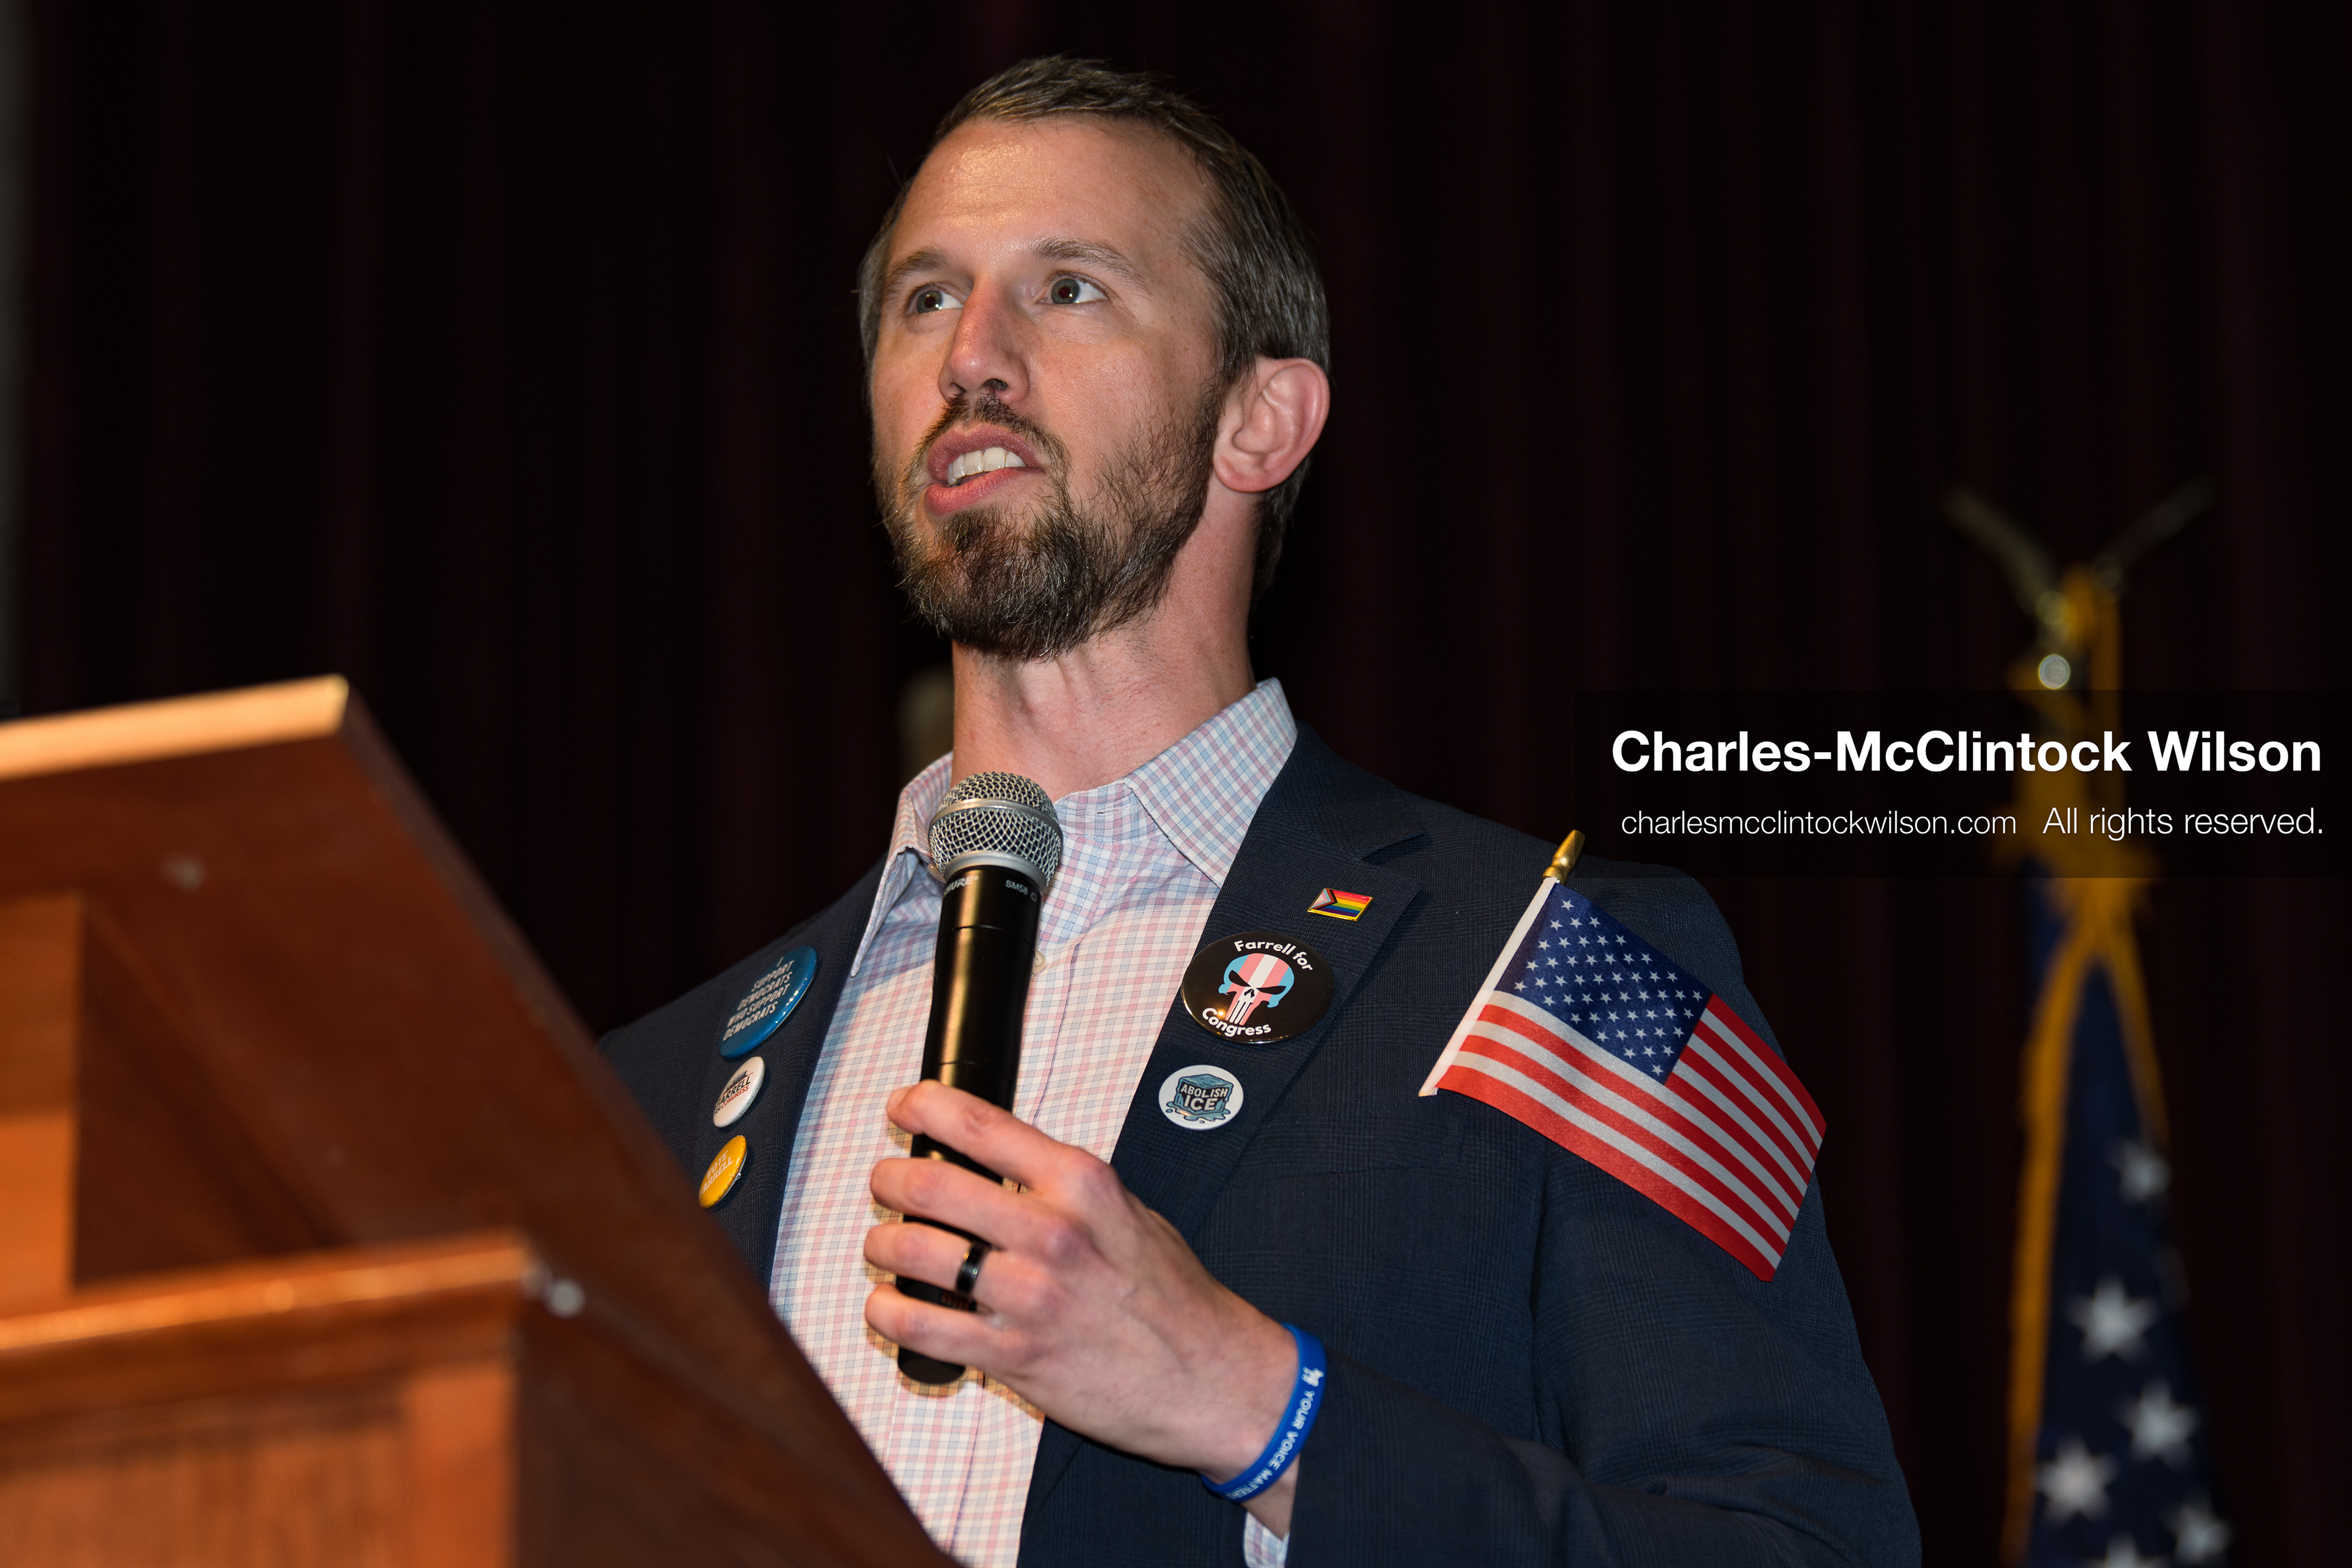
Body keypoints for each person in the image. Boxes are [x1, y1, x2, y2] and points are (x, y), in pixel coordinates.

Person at [601, 56, 1918, 1568]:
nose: (972, 353)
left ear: (1261, 420)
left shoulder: (1551, 959)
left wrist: (1258, 1403)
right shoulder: (656, 1086)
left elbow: (1803, 1546)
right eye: (923, 298)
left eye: (1070, 288)